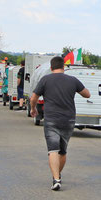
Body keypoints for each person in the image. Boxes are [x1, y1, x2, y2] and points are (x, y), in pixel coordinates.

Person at [30, 56, 90, 191]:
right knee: (62, 151)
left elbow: (33, 98)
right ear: (64, 67)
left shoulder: (45, 79)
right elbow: (87, 94)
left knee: (52, 150)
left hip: (51, 119)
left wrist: (33, 109)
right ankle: (57, 175)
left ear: (51, 67)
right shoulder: (72, 80)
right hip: (68, 120)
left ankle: (56, 179)